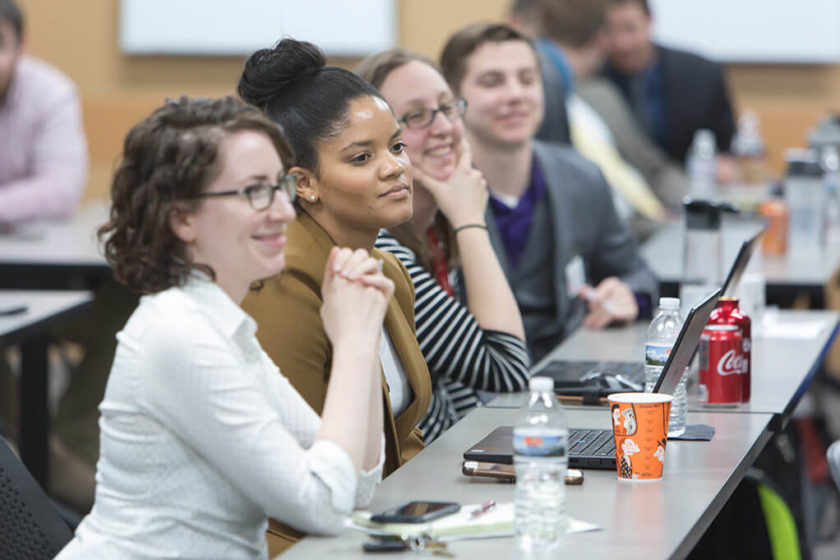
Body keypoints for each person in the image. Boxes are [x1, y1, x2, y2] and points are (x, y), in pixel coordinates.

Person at [56, 96, 389, 559]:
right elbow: (323, 505)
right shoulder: (179, 334)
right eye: (255, 192)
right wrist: (352, 339)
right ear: (182, 217)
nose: (284, 212)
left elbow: (355, 485)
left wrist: (364, 331)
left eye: (280, 188)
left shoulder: (221, 326)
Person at [237, 39, 432, 550]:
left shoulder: (384, 268)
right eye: (362, 157)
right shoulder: (282, 282)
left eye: (396, 146)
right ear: (304, 184)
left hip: (376, 523)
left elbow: (402, 439)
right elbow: (291, 477)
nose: (394, 167)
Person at [440, 23, 658, 361]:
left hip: (572, 373)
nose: (515, 94)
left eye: (527, 79)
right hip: (478, 387)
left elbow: (638, 274)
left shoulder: (581, 177)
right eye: (491, 82)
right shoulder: (436, 194)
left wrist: (626, 294)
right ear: (453, 98)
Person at [356, 48, 530, 444]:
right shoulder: (383, 251)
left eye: (447, 108)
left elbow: (459, 385)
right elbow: (507, 369)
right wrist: (471, 220)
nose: (444, 129)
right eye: (416, 116)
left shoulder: (432, 232)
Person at [510, 0, 688, 240]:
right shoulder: (541, 97)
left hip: (655, 229)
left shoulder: (598, 95)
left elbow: (653, 166)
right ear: (603, 39)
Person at [601, 0, 737, 182]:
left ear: (649, 21)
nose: (622, 43)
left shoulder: (700, 73)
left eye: (630, 29)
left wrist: (722, 165)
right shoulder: (593, 82)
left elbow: (726, 145)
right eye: (611, 31)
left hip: (688, 187)